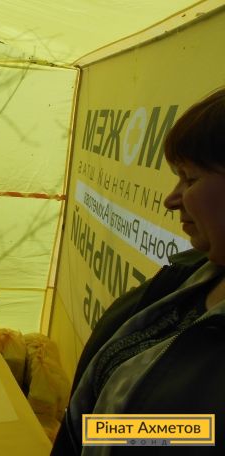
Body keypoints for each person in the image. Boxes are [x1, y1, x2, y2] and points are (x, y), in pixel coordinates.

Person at [52, 87, 225, 455]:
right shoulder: (189, 274)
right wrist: (82, 433)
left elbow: (194, 434)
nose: (171, 199)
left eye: (190, 179)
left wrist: (98, 433)